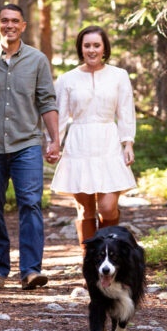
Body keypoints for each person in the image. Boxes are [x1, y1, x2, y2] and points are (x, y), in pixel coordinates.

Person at [0, 4, 61, 290]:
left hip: (26, 144)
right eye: (4, 20)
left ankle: (31, 270)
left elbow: (47, 101)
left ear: (23, 25)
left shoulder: (37, 60)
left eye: (15, 21)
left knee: (30, 204)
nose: (10, 25)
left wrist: (54, 139)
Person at [50, 25, 136, 251]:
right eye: (87, 45)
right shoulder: (67, 79)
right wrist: (54, 144)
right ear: (80, 48)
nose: (91, 50)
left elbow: (126, 111)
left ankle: (109, 252)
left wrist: (128, 142)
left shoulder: (119, 75)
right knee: (85, 210)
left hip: (109, 142)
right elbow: (59, 115)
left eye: (96, 45)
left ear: (104, 48)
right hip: (79, 144)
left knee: (107, 207)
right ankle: (89, 261)